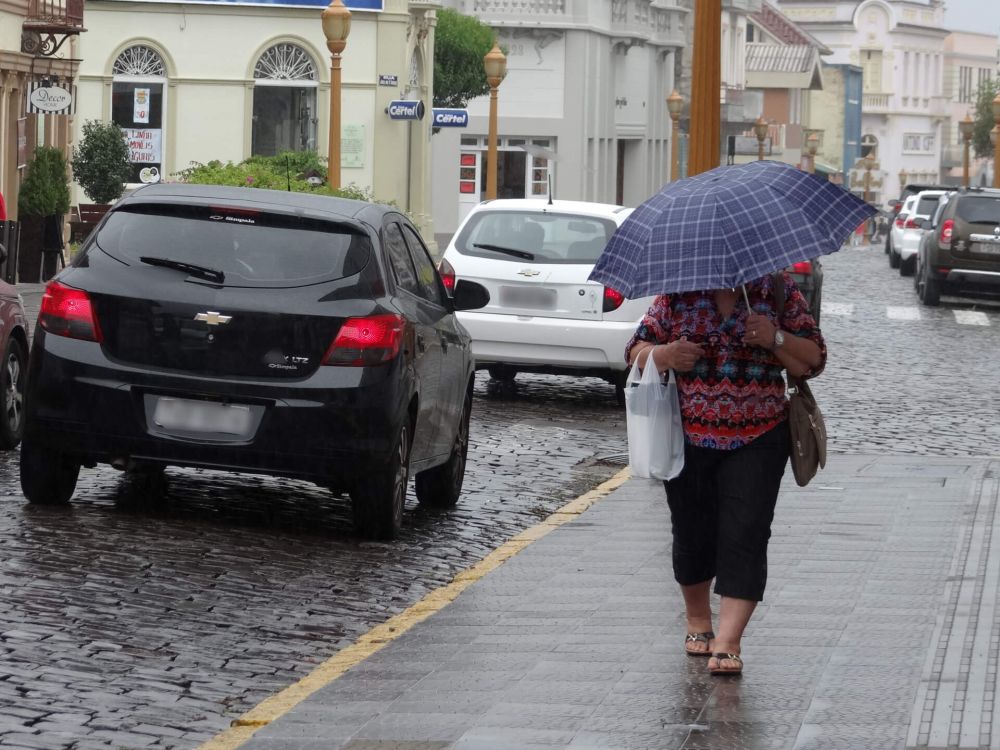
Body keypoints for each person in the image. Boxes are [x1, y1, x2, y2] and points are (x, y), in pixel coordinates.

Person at [625, 272, 825, 676]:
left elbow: (814, 360)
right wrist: (665, 356)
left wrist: (775, 338)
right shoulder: (679, 292)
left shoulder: (779, 292)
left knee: (747, 531)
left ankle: (729, 641)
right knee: (691, 530)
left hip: (760, 435)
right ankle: (698, 620)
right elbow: (634, 350)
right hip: (687, 435)